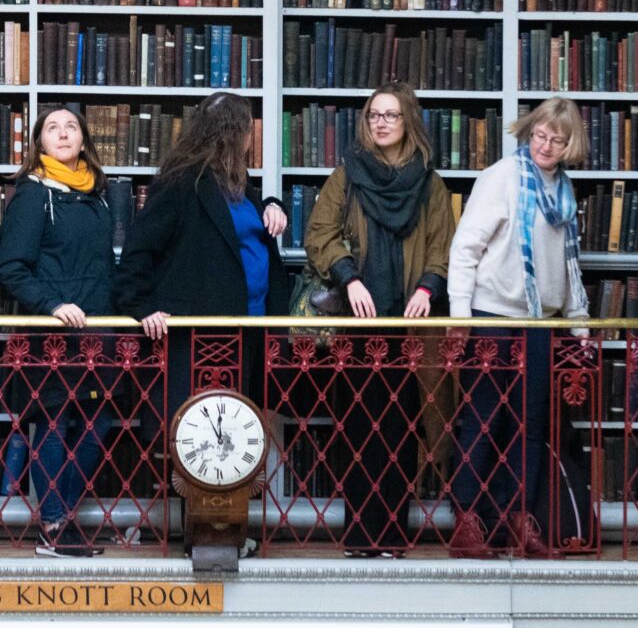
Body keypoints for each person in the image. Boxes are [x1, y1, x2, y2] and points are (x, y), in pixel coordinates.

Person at [117, 91, 292, 547]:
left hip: (248, 335)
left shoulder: (239, 183)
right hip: (200, 338)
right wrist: (140, 308)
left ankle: (230, 530)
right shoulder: (181, 183)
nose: (253, 136)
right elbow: (139, 252)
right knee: (203, 436)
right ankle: (206, 534)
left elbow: (248, 226)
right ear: (233, 133)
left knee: (238, 434)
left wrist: (272, 203)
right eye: (249, 126)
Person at [304, 83, 457, 558]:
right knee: (357, 427)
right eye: (374, 116)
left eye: (391, 115)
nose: (382, 123)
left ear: (408, 121)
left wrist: (429, 287)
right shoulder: (346, 175)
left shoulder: (431, 184)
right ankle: (359, 536)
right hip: (357, 324)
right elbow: (319, 233)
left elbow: (443, 243)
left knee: (403, 428)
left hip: (412, 328)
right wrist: (349, 278)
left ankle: (391, 536)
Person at [445, 96, 591, 561]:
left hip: (539, 322)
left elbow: (568, 269)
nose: (545, 145)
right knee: (484, 420)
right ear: (529, 132)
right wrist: (460, 315)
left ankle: (518, 521)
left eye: (557, 139)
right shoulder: (502, 178)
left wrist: (580, 323)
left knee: (529, 427)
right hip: (490, 316)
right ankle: (467, 522)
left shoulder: (564, 194)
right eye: (540, 135)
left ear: (571, 145)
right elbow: (465, 247)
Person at [0, 104, 125, 559]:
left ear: (85, 139)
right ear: (40, 143)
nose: (63, 133)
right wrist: (52, 305)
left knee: (97, 423)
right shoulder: (32, 194)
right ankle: (52, 526)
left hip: (98, 332)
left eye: (71, 126)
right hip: (51, 334)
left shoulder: (100, 194)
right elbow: (11, 267)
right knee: (53, 423)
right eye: (53, 127)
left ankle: (64, 519)